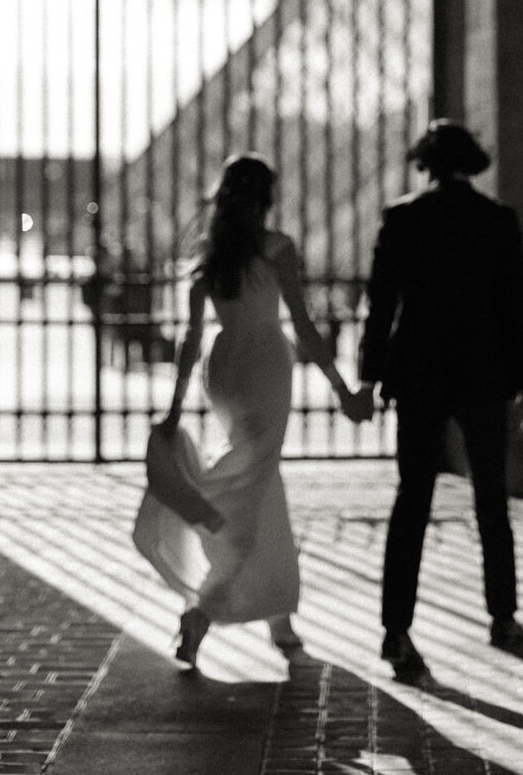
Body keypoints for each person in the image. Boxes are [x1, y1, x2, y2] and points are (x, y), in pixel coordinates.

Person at [134, 152, 367, 667]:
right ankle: (203, 610)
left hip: (225, 367)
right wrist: (341, 388)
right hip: (265, 364)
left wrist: (175, 408)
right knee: (252, 481)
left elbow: (191, 339)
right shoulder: (277, 248)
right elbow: (304, 325)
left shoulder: (209, 252)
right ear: (266, 198)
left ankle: (279, 615)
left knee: (262, 480)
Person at [355, 119, 523, 682]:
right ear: (472, 161)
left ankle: (396, 630)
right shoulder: (498, 221)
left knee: (412, 499)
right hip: (483, 371)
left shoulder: (402, 218)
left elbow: (381, 305)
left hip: (421, 372)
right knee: (490, 499)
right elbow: (515, 305)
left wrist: (368, 375)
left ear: (425, 162)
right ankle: (502, 617)